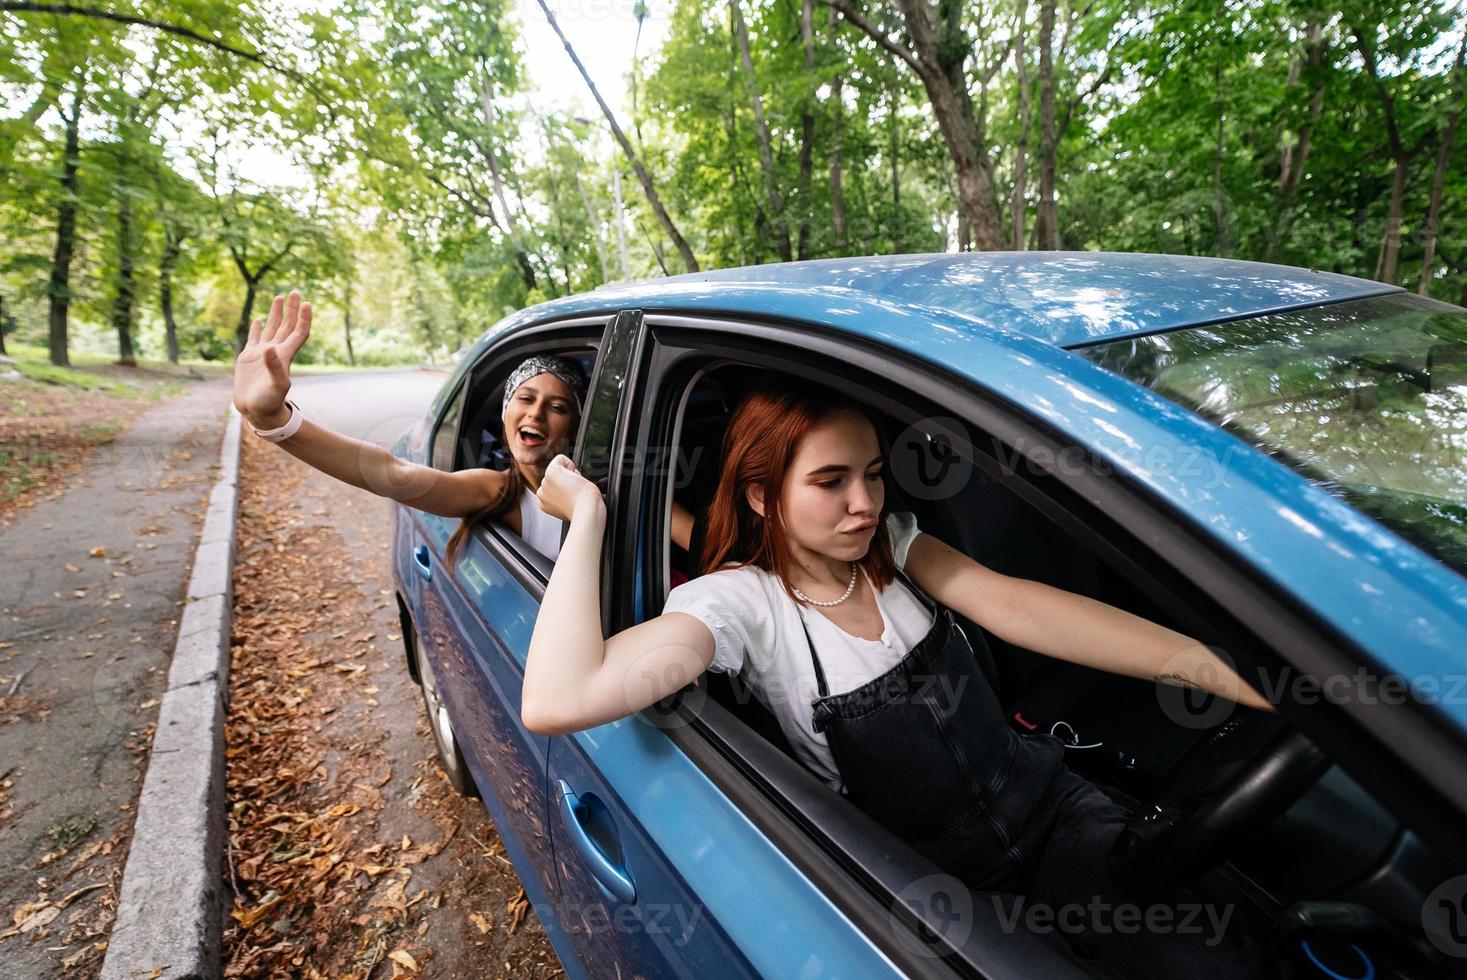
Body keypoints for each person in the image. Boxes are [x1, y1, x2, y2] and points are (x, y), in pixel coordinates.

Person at [523, 377, 1277, 977]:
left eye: (873, 475)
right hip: (940, 888)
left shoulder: (892, 545)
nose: (864, 503)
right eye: (830, 481)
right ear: (762, 495)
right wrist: (587, 514)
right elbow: (560, 697)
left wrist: (1212, 669)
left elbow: (1017, 605)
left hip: (1057, 815)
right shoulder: (736, 604)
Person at [231, 290, 695, 560]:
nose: (536, 413)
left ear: (576, 425)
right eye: (525, 398)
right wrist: (275, 422)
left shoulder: (618, 482)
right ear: (505, 414)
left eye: (557, 407)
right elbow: (395, 474)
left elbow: (700, 540)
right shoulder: (497, 491)